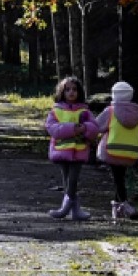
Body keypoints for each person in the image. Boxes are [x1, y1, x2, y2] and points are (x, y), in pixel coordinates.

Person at [44, 76, 99, 220]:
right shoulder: (56, 110)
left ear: (79, 92)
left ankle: (65, 208)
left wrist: (85, 128)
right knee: (66, 179)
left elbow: (94, 129)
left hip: (79, 150)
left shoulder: (85, 111)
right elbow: (52, 128)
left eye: (74, 89)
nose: (71, 92)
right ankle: (75, 210)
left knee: (73, 180)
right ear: (62, 92)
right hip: (62, 150)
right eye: (67, 90)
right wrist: (72, 129)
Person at [93, 80, 138, 220]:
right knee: (120, 176)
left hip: (111, 150)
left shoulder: (110, 111)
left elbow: (96, 127)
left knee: (118, 179)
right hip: (130, 152)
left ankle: (125, 204)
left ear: (114, 95)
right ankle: (117, 210)